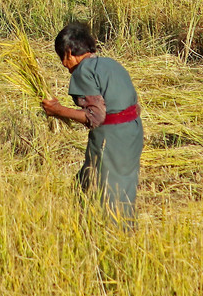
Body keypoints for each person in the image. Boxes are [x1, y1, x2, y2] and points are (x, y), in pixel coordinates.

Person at [41, 20, 143, 220]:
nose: (64, 65)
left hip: (112, 139)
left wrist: (58, 110)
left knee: (109, 197)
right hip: (133, 133)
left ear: (69, 52)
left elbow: (95, 117)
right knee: (94, 184)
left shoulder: (83, 71)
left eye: (62, 57)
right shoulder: (111, 64)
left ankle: (113, 240)